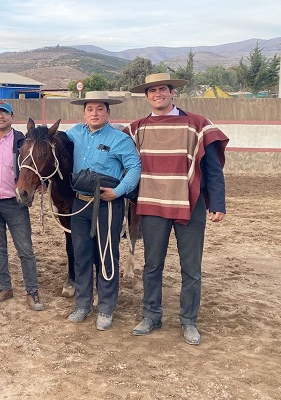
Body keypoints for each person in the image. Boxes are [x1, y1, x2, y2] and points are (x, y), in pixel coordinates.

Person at [127, 73, 229, 345]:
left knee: (191, 268)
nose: (157, 94)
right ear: (146, 96)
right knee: (152, 266)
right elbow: (121, 162)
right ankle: (151, 316)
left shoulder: (197, 125)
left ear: (173, 93)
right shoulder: (136, 128)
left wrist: (217, 202)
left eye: (162, 89)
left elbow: (212, 169)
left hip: (190, 205)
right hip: (151, 206)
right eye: (152, 91)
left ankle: (188, 321)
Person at [63, 91, 141, 331]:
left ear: (108, 112)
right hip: (80, 203)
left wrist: (119, 192)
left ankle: (106, 308)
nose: (94, 113)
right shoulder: (74, 133)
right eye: (89, 109)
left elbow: (135, 167)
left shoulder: (120, 139)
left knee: (107, 254)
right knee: (81, 254)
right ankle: (83, 304)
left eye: (99, 109)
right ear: (84, 113)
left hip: (107, 203)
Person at [0, 101, 44, 311]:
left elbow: (38, 164)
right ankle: (4, 287)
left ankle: (32, 291)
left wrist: (41, 183)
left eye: (5, 113)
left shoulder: (22, 141)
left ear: (12, 117)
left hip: (15, 203)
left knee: (25, 249)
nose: (1, 116)